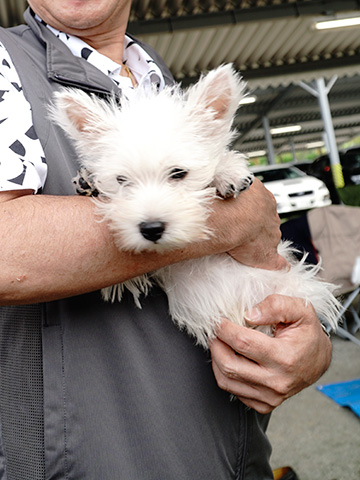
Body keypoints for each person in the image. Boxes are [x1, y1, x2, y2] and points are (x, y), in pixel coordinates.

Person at [0, 1, 332, 479]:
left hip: (231, 455)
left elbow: (263, 270)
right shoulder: (9, 64)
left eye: (176, 174)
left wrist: (311, 344)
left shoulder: (162, 85)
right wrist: (237, 216)